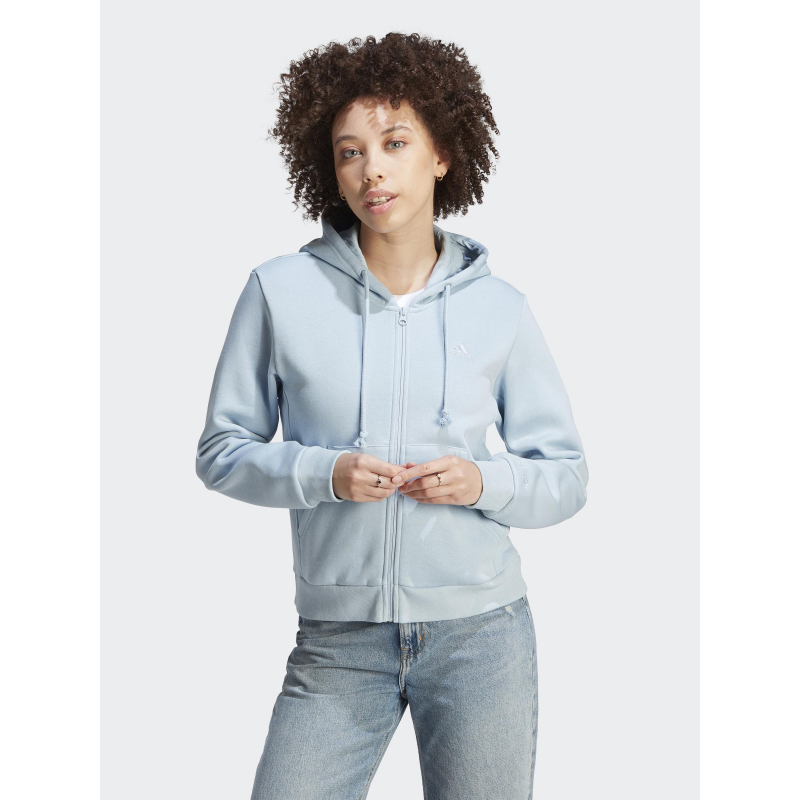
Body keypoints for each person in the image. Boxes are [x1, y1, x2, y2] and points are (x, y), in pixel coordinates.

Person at [195, 32, 589, 800]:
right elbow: (221, 450)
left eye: (395, 143)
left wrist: (482, 482)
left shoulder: (501, 309)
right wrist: (325, 472)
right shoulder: (280, 291)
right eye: (350, 152)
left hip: (482, 638)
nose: (371, 168)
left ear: (442, 155)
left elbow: (567, 477)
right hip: (339, 643)